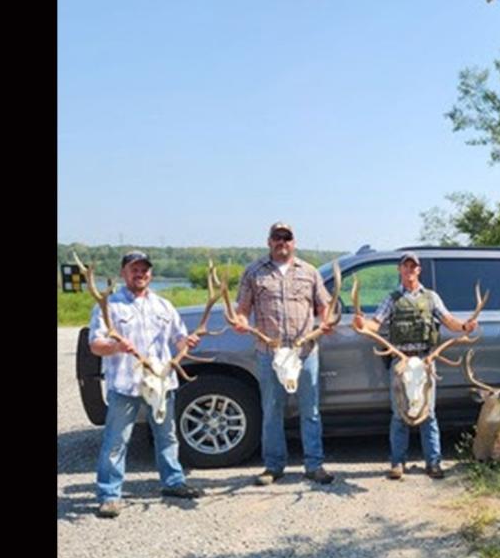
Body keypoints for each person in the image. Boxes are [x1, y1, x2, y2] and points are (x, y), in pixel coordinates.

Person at [89, 251, 205, 518]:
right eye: (134, 269)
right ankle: (109, 494)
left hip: (161, 383)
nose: (140, 274)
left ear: (150, 273)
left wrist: (186, 343)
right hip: (126, 383)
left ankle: (173, 482)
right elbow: (95, 345)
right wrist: (115, 346)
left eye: (144, 269)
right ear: (123, 273)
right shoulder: (109, 306)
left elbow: (178, 337)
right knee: (116, 441)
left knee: (167, 435)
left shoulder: (163, 306)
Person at [352, 251, 477, 480]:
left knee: (428, 413)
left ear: (419, 270)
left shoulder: (431, 297)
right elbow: (376, 323)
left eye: (413, 267)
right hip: (401, 363)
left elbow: (448, 320)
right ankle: (398, 463)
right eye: (405, 267)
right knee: (399, 413)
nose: (409, 271)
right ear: (399, 270)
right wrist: (362, 324)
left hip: (426, 362)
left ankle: (434, 462)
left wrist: (464, 327)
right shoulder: (392, 299)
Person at [231, 222, 336, 486]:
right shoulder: (254, 272)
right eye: (277, 238)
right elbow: (241, 309)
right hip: (271, 352)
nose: (282, 242)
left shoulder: (309, 272)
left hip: (305, 352)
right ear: (269, 241)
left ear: (294, 242)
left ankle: (314, 465)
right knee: (272, 409)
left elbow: (324, 307)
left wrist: (327, 322)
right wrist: (240, 321)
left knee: (310, 410)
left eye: (286, 238)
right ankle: (273, 466)